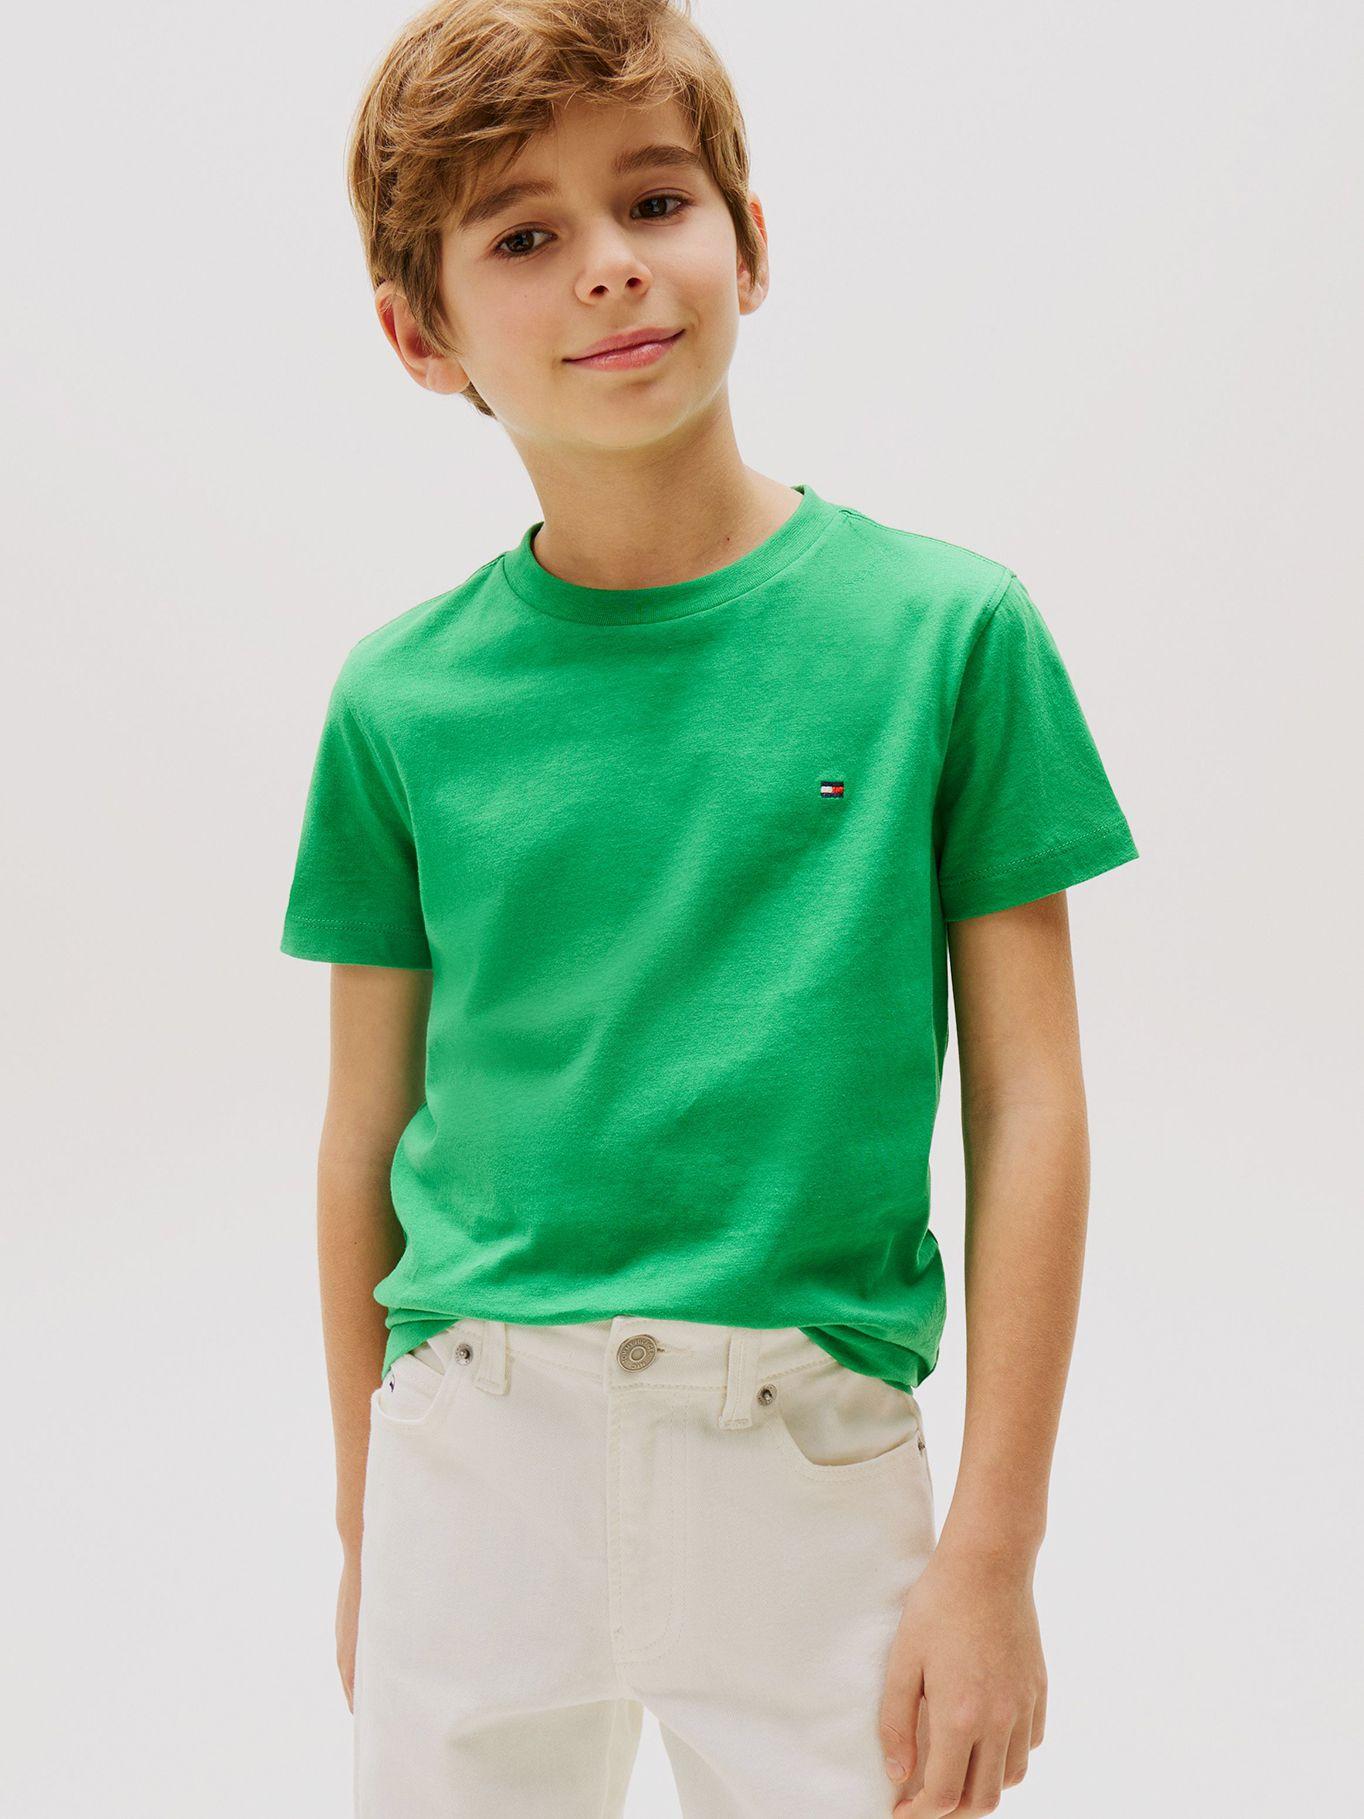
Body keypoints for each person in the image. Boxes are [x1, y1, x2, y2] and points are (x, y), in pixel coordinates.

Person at [278, 3, 1139, 1813]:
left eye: (654, 202)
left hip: (810, 1454)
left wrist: (993, 1554)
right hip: (472, 1454)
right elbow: (364, 1135)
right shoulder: (399, 700)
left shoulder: (946, 637)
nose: (609, 265)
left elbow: (1033, 1103)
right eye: (525, 235)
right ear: (421, 336)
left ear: (748, 241)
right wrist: (371, 1530)